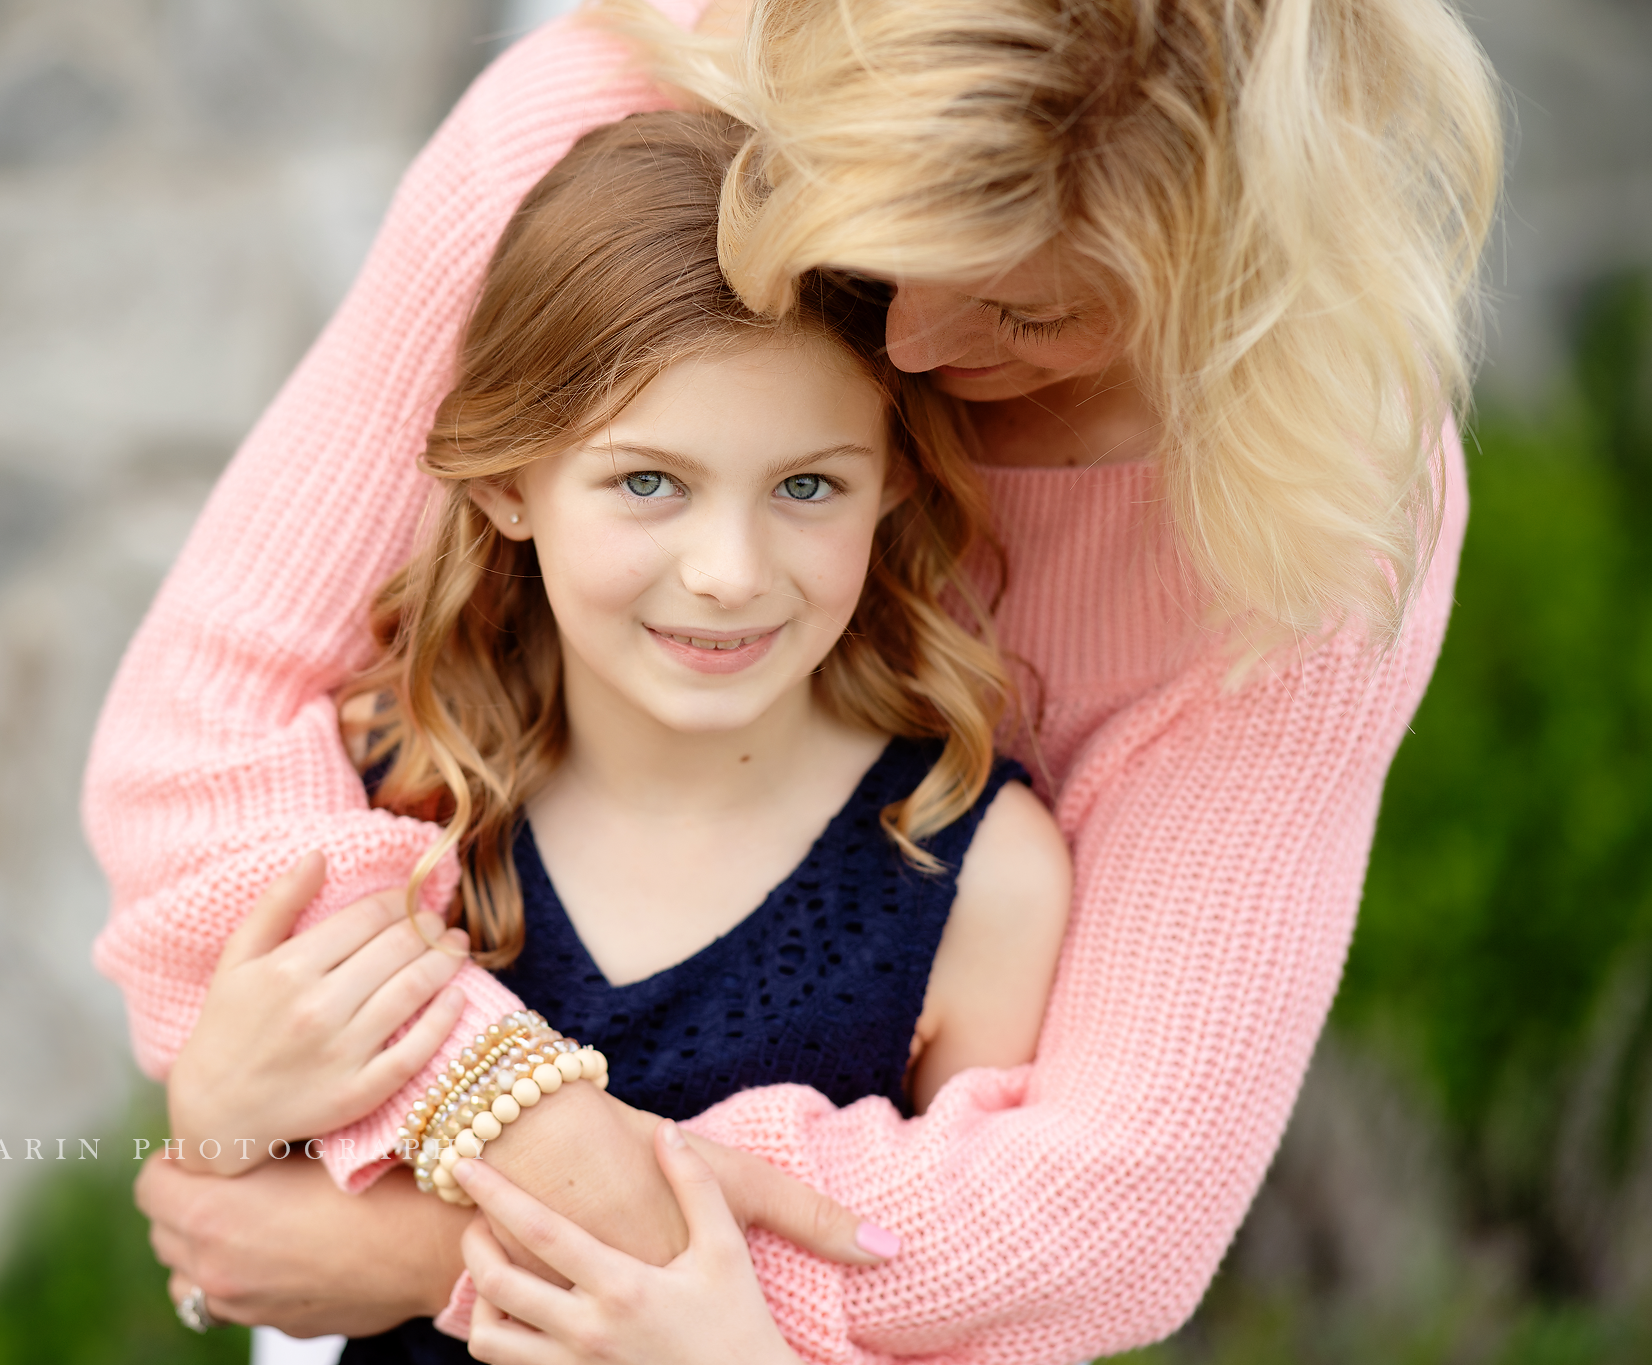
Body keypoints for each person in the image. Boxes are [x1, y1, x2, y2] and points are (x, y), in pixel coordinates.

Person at [89, 0, 1501, 1359]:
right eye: (879, 252)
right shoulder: (612, 129)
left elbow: (1105, 1214)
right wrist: (489, 1107)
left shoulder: (1324, 499)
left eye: (1027, 312)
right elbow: (199, 743)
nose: (910, 351)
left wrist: (430, 1253)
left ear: (1219, 263)